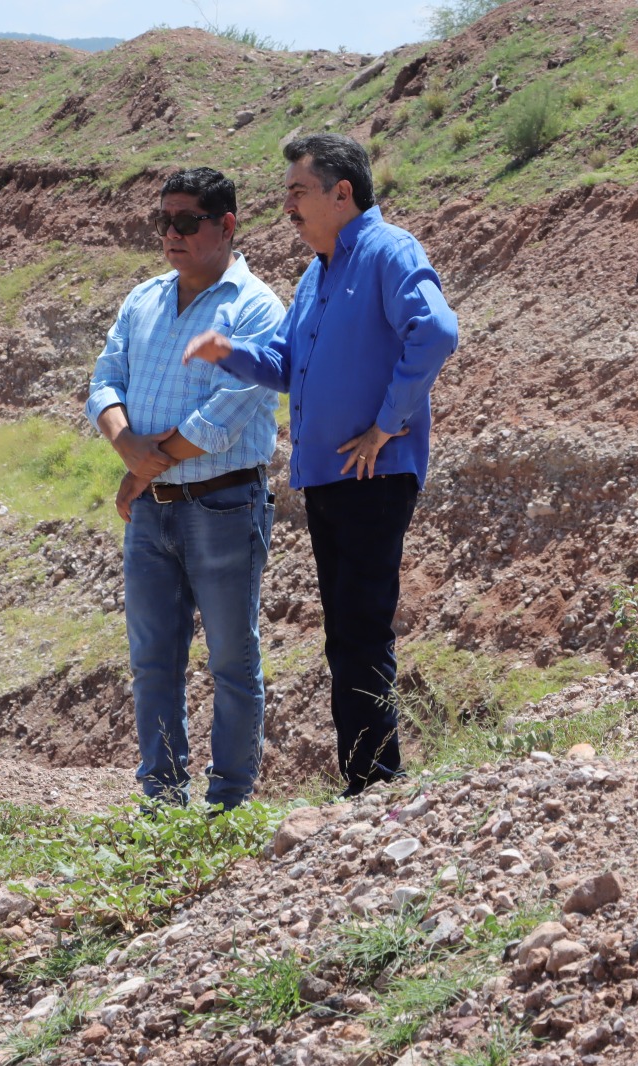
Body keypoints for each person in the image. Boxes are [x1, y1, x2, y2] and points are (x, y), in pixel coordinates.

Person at [183, 133, 459, 798]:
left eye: (298, 192)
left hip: (373, 475)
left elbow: (436, 331)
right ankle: (364, 779)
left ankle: (377, 782)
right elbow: (285, 363)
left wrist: (387, 424)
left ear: (342, 193)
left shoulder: (390, 250)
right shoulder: (316, 274)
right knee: (344, 632)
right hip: (329, 482)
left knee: (361, 628)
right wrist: (229, 351)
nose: (288, 207)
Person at [86, 166, 284, 811]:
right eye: (164, 220)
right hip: (153, 510)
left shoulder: (255, 307)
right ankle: (162, 800)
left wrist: (138, 468)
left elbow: (221, 420)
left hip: (223, 505)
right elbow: (104, 381)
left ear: (226, 225)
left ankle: (229, 802)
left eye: (187, 221)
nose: (171, 233)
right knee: (153, 660)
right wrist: (124, 442)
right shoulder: (143, 298)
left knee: (231, 660)